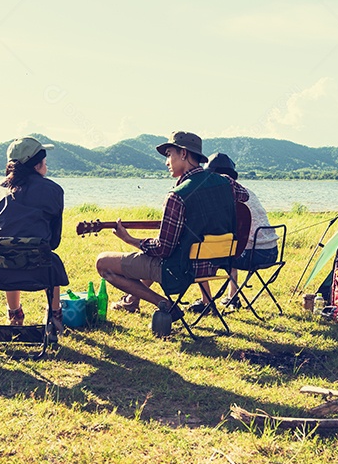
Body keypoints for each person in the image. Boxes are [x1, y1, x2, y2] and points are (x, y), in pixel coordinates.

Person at [95, 131, 248, 335]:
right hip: (215, 265)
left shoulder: (176, 196)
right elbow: (244, 195)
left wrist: (130, 239)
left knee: (103, 263)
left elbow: (163, 249)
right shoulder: (226, 182)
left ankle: (165, 304)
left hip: (179, 269)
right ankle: (146, 303)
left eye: (169, 154)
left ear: (183, 154)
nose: (167, 162)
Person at [0, 136, 69, 333]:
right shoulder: (53, 190)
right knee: (49, 258)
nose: (46, 165)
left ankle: (15, 314)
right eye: (45, 161)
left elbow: (0, 235)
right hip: (39, 269)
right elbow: (53, 241)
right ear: (37, 165)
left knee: (9, 250)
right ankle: (54, 316)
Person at [191, 152, 279, 313]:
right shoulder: (246, 191)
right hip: (272, 252)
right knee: (232, 247)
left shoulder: (222, 195)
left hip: (251, 255)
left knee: (202, 253)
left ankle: (207, 302)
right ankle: (233, 296)